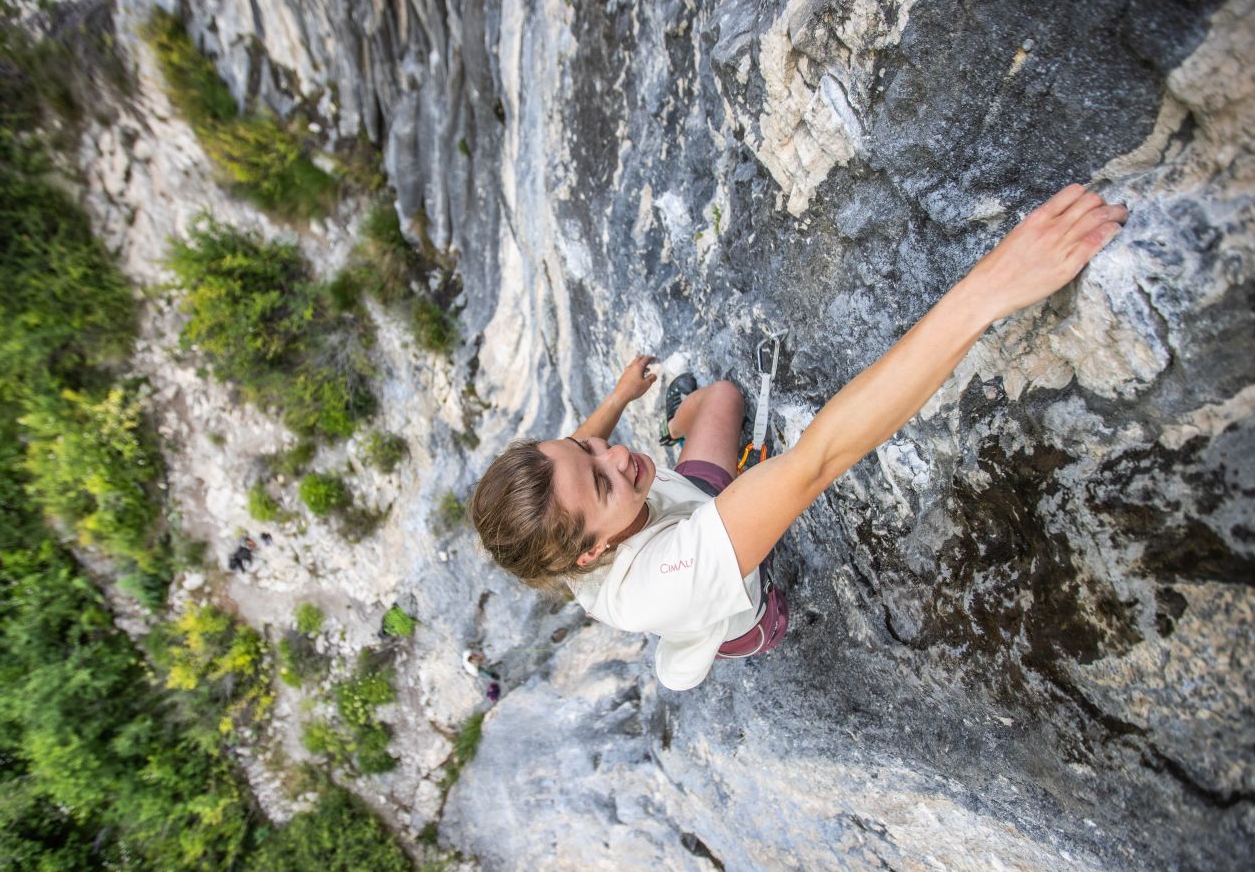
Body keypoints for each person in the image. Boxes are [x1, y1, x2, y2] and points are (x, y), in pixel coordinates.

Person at [470, 185, 1128, 691]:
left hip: (688, 507)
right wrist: (990, 289)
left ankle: (684, 420)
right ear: (589, 557)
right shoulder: (665, 583)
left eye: (587, 449)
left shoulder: (576, 519)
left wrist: (616, 401)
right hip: (723, 586)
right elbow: (818, 458)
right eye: (604, 478)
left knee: (722, 397)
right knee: (765, 592)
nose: (614, 454)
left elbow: (580, 457)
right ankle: (767, 608)